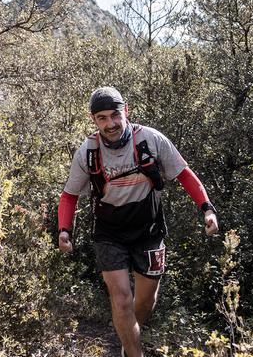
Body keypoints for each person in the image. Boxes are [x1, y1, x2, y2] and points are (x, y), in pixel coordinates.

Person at [57, 86, 218, 357]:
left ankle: (127, 338)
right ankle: (133, 353)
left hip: (149, 229)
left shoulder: (151, 139)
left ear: (126, 111)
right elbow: (69, 195)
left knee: (144, 303)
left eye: (115, 115)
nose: (111, 124)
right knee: (121, 301)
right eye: (102, 118)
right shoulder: (88, 151)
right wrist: (64, 230)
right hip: (109, 232)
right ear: (93, 120)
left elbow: (184, 174)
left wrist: (207, 209)